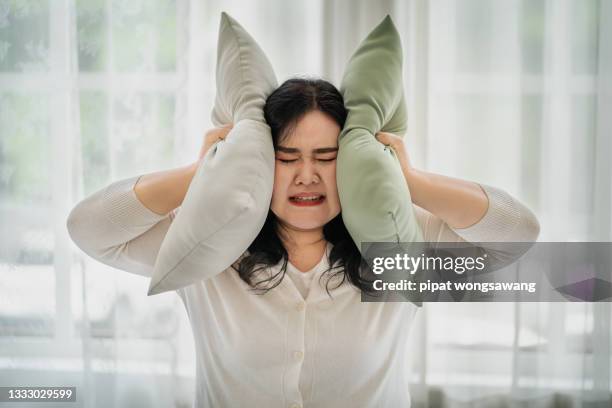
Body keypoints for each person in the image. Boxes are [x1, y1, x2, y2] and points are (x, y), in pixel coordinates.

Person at [66, 78, 540, 407]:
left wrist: (408, 180)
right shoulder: (208, 243)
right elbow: (90, 229)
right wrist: (202, 174)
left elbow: (517, 234)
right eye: (286, 157)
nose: (306, 176)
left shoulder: (398, 243)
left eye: (326, 157)